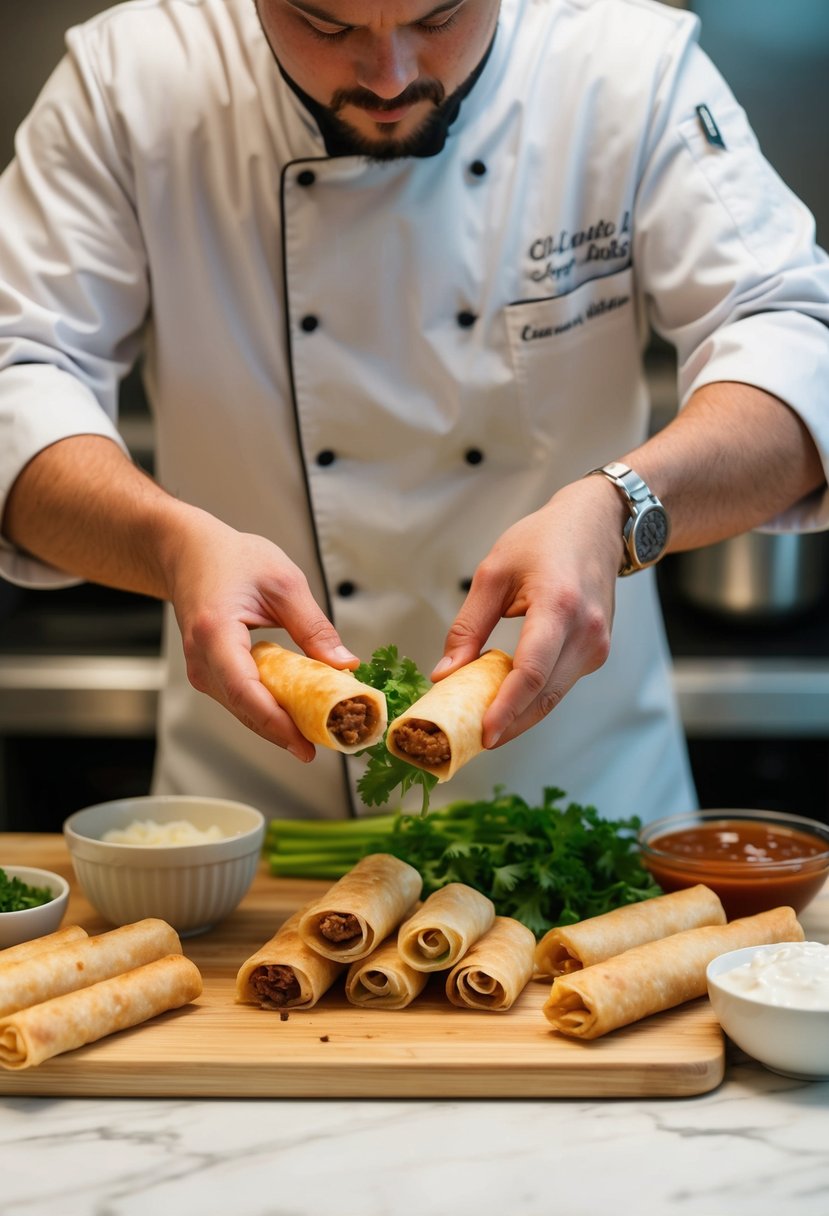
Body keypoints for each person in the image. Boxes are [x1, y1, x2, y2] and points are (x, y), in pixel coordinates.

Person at [0, 0, 827, 825]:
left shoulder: (627, 70)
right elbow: (19, 373)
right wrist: (169, 547)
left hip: (585, 819)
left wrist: (619, 508)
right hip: (254, 831)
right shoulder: (128, 80)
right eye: (326, 27)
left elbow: (796, 346)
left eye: (439, 17)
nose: (390, 76)